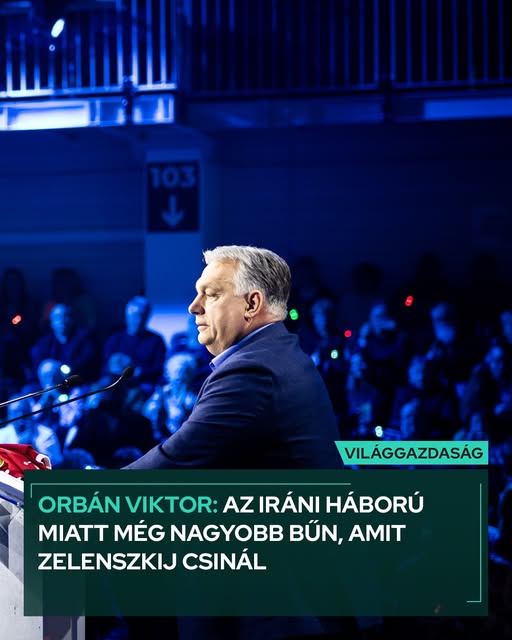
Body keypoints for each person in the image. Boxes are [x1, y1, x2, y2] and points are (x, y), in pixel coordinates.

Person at [124, 245, 344, 640]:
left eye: (210, 294)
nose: (193, 307)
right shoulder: (277, 353)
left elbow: (175, 463)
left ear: (252, 304)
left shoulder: (253, 370)